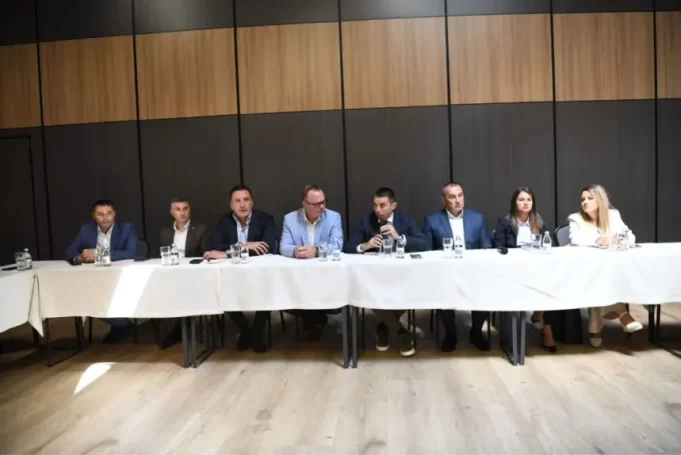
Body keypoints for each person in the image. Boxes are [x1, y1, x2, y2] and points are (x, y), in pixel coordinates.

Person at [346, 187, 428, 357]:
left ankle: (384, 326)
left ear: (393, 206)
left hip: (402, 274)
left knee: (416, 288)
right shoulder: (366, 221)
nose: (377, 209)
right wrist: (365, 245)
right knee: (367, 290)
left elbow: (424, 244)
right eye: (375, 205)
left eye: (382, 205)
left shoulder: (405, 219)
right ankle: (401, 332)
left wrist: (399, 237)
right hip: (375, 276)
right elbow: (347, 246)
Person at [568, 184, 643, 347]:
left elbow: (630, 236)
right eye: (582, 199)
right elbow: (575, 239)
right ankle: (623, 314)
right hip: (586, 268)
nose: (585, 202)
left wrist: (620, 239)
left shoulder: (613, 215)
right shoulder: (576, 218)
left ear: (600, 200)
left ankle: (595, 325)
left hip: (612, 266)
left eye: (590, 198)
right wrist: (598, 240)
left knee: (607, 276)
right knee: (599, 277)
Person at [204, 184, 276, 353]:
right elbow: (215, 247)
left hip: (259, 273)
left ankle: (257, 332)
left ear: (252, 202)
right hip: (232, 274)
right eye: (237, 201)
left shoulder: (265, 219)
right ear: (231, 205)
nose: (242, 204)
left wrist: (228, 252)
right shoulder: (224, 221)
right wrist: (245, 245)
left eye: (246, 200)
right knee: (220, 288)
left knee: (267, 287)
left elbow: (267, 248)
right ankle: (244, 330)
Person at [423, 182, 492, 352]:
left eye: (460, 195)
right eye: (452, 197)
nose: (457, 200)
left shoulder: (477, 218)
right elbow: (426, 250)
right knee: (442, 289)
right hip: (445, 271)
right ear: (443, 200)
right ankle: (450, 332)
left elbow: (486, 247)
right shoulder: (432, 220)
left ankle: (476, 332)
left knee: (485, 288)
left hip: (474, 271)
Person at [493, 187, 557, 352]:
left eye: (529, 199)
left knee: (552, 283)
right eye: (521, 199)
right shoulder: (505, 222)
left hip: (537, 268)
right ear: (514, 203)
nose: (526, 203)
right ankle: (538, 318)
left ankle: (543, 321)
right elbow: (497, 246)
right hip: (513, 272)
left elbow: (549, 243)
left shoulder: (538, 220)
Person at [65, 199, 138, 343]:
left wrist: (98, 254)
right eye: (100, 214)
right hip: (93, 279)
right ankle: (122, 325)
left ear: (114, 214)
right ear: (93, 216)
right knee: (81, 295)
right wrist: (80, 257)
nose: (105, 218)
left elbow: (131, 253)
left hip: (120, 278)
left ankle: (121, 325)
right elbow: (70, 251)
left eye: (109, 213)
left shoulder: (127, 229)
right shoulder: (86, 230)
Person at [280, 184, 344, 341]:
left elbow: (337, 245)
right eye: (316, 204)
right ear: (304, 204)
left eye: (323, 202)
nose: (321, 207)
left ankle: (314, 321)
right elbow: (283, 246)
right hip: (299, 276)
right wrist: (295, 251)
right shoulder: (290, 219)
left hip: (325, 275)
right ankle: (317, 319)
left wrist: (316, 251)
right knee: (283, 295)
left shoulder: (333, 217)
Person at [157, 197, 211, 348]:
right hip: (170, 275)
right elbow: (160, 256)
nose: (182, 213)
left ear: (189, 210)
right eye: (178, 209)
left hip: (194, 276)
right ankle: (173, 329)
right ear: (172, 212)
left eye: (185, 209)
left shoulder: (200, 229)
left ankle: (177, 331)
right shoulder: (165, 232)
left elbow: (205, 254)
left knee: (183, 292)